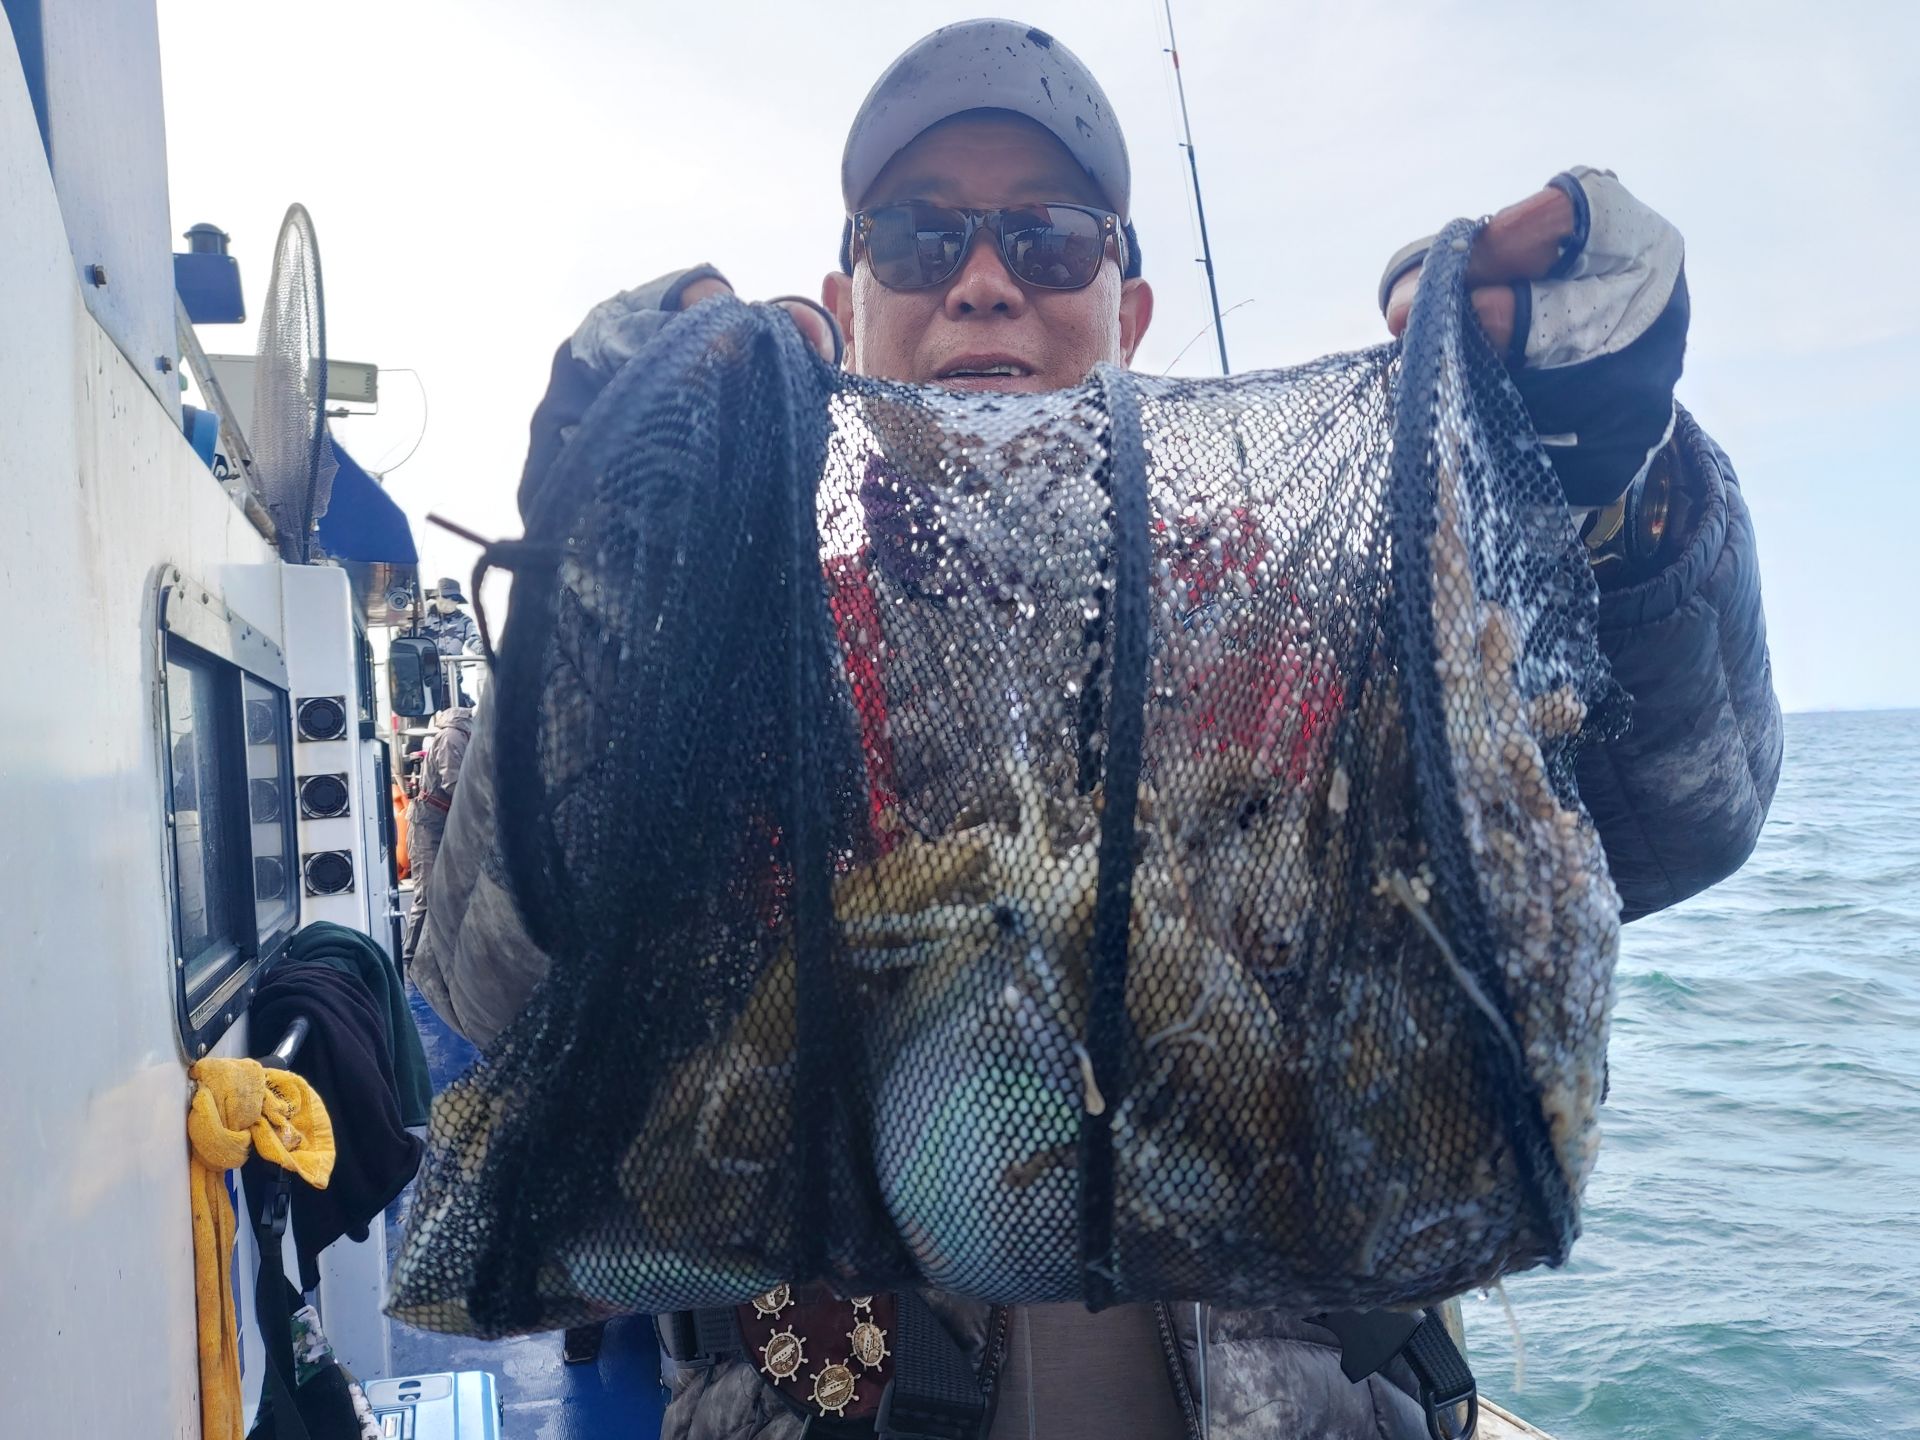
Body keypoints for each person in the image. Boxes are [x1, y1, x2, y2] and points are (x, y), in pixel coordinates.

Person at [412, 20, 1781, 1438]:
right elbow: (489, 985)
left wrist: (1611, 509)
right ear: (844, 305)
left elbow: (1675, 817)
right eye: (917, 236)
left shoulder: (1302, 629)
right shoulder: (730, 665)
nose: (984, 281)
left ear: (1127, 312)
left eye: (1051, 240)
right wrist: (598, 594)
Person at [403, 703, 473, 966]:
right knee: (428, 893)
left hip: (447, 824)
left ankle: (438, 959)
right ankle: (410, 961)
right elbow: (454, 785)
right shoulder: (452, 737)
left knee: (452, 893)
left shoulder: (466, 736)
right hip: (428, 827)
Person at [417, 577, 485, 658]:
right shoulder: (422, 615)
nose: (448, 601)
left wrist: (484, 651)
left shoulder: (465, 621)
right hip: (422, 664)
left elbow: (473, 640)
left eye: (454, 598)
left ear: (458, 601)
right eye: (445, 596)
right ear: (436, 597)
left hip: (452, 665)